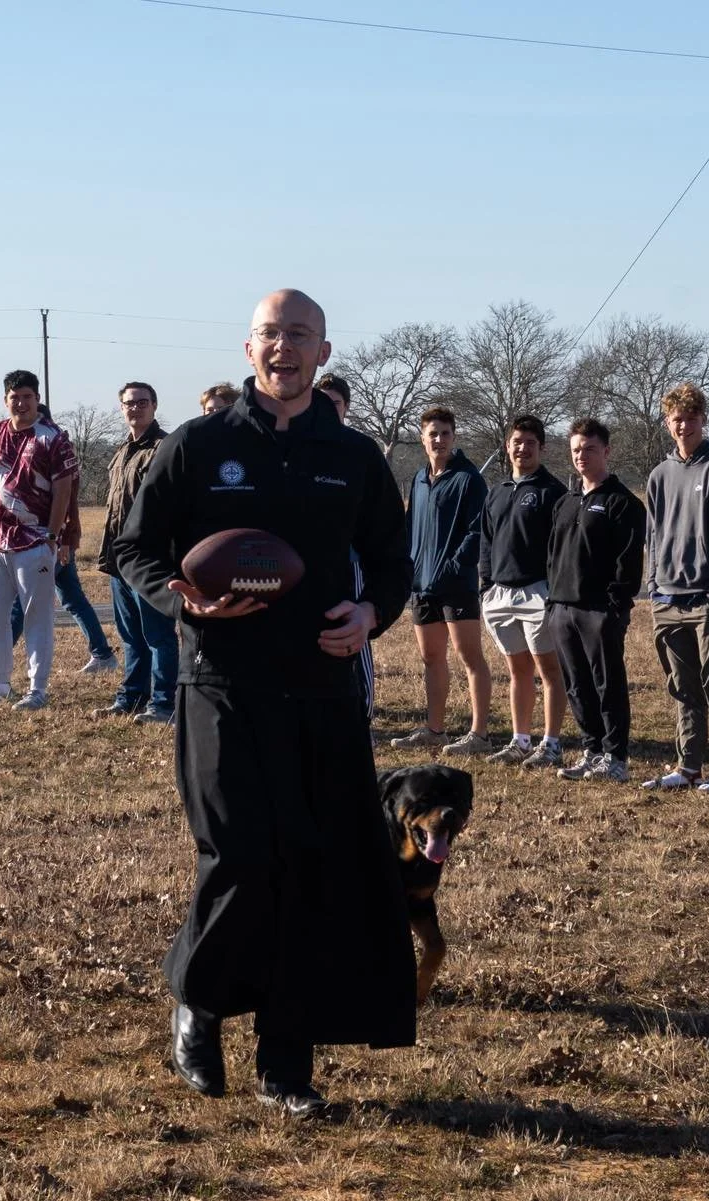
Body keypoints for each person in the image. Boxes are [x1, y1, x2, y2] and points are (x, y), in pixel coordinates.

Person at [114, 289, 416, 1116]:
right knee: (239, 855)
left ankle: (287, 1065)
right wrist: (182, 601)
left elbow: (393, 560)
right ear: (248, 349)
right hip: (220, 683)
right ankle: (200, 1000)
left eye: (300, 335)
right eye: (270, 334)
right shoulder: (200, 445)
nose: (284, 348)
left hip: (320, 689)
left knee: (308, 869)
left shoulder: (352, 455)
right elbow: (131, 547)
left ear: (324, 352)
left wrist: (369, 613)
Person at [641, 382, 709, 794]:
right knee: (682, 688)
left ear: (703, 419)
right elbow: (654, 534)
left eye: (690, 417)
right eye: (675, 418)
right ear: (668, 423)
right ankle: (688, 766)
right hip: (667, 599)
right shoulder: (659, 474)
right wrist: (653, 586)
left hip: (708, 601)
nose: (683, 425)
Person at [0, 406, 117, 679]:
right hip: (42, 540)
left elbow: (68, 500)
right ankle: (102, 652)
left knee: (25, 602)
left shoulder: (55, 450)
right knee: (72, 599)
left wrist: (63, 538)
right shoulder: (23, 445)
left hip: (44, 541)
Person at [0, 370, 76, 710]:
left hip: (34, 542)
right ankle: (0, 685)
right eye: (15, 397)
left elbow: (64, 488)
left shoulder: (53, 438)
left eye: (28, 396)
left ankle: (37, 689)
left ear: (37, 399)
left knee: (37, 617)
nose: (21, 402)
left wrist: (53, 536)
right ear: (6, 400)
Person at [547, 418, 646, 783]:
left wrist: (613, 607)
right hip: (562, 609)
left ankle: (615, 757)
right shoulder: (566, 502)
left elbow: (628, 564)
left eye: (589, 449)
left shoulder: (623, 504)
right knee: (576, 684)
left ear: (606, 451)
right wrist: (553, 604)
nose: (582, 456)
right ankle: (591, 751)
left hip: (600, 612)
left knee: (608, 684)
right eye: (575, 450)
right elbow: (553, 555)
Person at [391, 407, 493, 756]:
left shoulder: (468, 479)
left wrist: (452, 567)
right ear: (422, 438)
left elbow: (477, 531)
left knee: (470, 658)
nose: (439, 439)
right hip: (422, 586)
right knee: (431, 657)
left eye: (445, 433)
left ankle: (479, 735)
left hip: (456, 585)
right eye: (433, 433)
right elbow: (410, 529)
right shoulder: (419, 479)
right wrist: (409, 568)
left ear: (454, 436)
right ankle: (435, 730)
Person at [480, 414, 568, 768]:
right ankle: (520, 740)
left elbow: (562, 548)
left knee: (549, 670)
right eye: (517, 441)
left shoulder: (553, 492)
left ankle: (551, 743)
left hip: (538, 593)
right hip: (499, 595)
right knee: (517, 670)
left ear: (541, 447)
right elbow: (486, 542)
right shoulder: (497, 492)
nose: (523, 448)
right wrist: (486, 586)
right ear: (508, 446)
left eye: (530, 442)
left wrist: (554, 591)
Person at [93, 381, 178, 723]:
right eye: (129, 403)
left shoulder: (164, 447)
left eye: (142, 402)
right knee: (130, 636)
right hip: (119, 557)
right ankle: (131, 697)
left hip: (150, 558)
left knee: (157, 634)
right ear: (121, 408)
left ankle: (163, 703)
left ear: (154, 406)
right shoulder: (121, 451)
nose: (135, 408)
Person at [315, 371, 375, 722]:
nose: (326, 408)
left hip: (349, 562)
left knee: (353, 637)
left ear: (346, 407)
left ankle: (362, 714)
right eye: (320, 401)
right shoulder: (301, 445)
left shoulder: (357, 451)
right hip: (306, 566)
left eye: (334, 403)